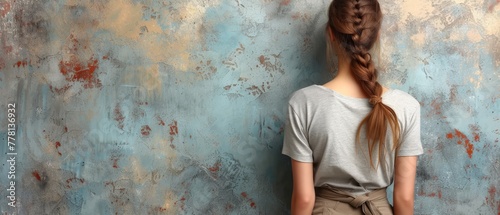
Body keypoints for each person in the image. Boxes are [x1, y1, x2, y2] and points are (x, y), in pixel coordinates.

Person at [281, 0, 423, 214]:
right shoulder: (406, 106)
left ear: (330, 33)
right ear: (376, 35)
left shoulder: (303, 102)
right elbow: (404, 198)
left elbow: (304, 198)